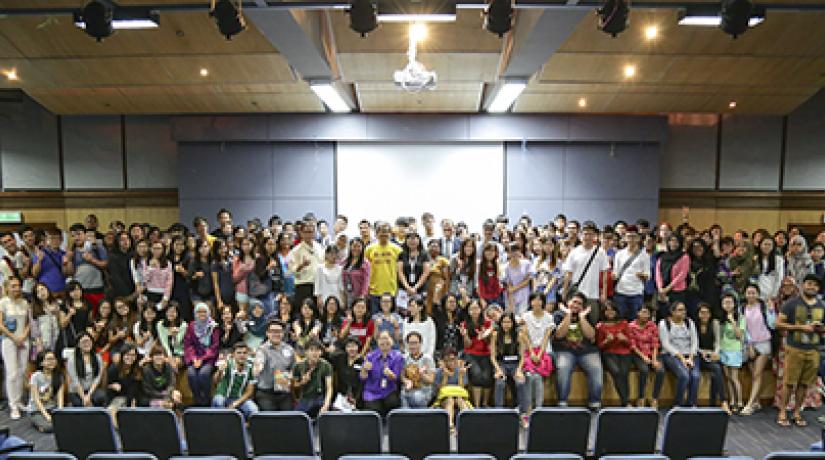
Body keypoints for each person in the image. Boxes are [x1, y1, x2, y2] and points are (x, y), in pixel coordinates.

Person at [775, 274, 825, 427]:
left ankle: (797, 412)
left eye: (815, 285)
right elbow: (778, 324)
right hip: (794, 348)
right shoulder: (791, 304)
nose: (812, 287)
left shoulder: (822, 306)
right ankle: (783, 412)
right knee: (789, 383)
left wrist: (821, 329)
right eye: (809, 283)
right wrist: (799, 327)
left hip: (814, 350)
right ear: (803, 285)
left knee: (804, 384)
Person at [553, 292, 602, 410]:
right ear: (568, 302)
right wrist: (568, 315)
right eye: (574, 302)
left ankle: (594, 402)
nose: (576, 305)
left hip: (587, 350)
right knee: (563, 368)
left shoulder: (587, 315)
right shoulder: (558, 314)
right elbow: (559, 335)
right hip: (564, 350)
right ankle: (562, 402)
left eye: (579, 304)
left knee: (596, 368)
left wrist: (582, 318)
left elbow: (591, 335)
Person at [561, 224, 609, 322]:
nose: (587, 237)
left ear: (595, 236)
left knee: (592, 322)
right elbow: (568, 274)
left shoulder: (600, 252)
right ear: (581, 235)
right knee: (575, 323)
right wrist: (565, 291)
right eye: (585, 234)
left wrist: (604, 293)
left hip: (593, 295)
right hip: (576, 295)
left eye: (590, 234)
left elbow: (604, 274)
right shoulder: (574, 252)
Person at [659, 301, 700, 407]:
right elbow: (666, 344)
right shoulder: (664, 323)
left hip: (689, 354)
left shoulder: (689, 322)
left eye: (684, 310)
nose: (683, 312)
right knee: (684, 375)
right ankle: (678, 404)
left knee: (695, 376)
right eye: (680, 310)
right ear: (672, 312)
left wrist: (690, 357)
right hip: (671, 355)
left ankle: (691, 403)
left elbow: (695, 341)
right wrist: (682, 358)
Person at [741, 284, 775, 415]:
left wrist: (771, 311)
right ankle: (756, 401)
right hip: (749, 344)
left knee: (757, 374)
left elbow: (772, 324)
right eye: (748, 292)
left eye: (753, 293)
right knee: (752, 374)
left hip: (763, 342)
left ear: (758, 294)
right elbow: (743, 328)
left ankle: (749, 405)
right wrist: (749, 345)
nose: (751, 295)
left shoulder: (763, 307)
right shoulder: (741, 308)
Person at [0, 276, 30, 419]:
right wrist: (14, 338)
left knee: (22, 371)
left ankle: (19, 401)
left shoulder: (25, 303)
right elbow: (0, 325)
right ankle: (12, 405)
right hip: (9, 340)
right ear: (7, 288)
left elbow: (29, 323)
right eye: (13, 286)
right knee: (11, 373)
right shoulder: (3, 303)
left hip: (24, 340)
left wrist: (23, 336)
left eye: (18, 285)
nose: (16, 288)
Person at [491, 312, 527, 425]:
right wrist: (498, 369)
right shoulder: (495, 335)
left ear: (513, 323)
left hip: (515, 364)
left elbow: (522, 356)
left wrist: (519, 370)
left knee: (520, 382)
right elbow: (493, 357)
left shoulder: (519, 335)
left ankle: (522, 413)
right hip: (501, 363)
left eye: (509, 322)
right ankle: (499, 412)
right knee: (500, 382)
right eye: (504, 322)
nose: (506, 324)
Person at [520, 293, 554, 413]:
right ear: (530, 302)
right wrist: (531, 352)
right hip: (529, 351)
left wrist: (539, 354)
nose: (537, 302)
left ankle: (539, 409)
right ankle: (528, 409)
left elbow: (546, 337)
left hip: (544, 351)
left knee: (537, 378)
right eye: (534, 300)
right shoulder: (525, 316)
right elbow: (524, 335)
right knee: (529, 377)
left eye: (540, 300)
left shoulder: (549, 317)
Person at [253, 320, 296, 411]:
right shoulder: (262, 350)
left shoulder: (289, 349)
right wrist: (258, 368)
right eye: (273, 331)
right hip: (266, 393)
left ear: (283, 333)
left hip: (284, 391)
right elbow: (259, 362)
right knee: (270, 419)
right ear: (267, 333)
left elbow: (293, 368)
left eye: (279, 331)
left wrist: (292, 375)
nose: (276, 334)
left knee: (288, 418)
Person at [628, 304, 665, 408]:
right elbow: (633, 346)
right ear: (637, 313)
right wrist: (643, 357)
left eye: (647, 313)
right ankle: (641, 397)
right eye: (643, 312)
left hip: (652, 353)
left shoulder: (652, 325)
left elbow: (655, 343)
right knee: (644, 370)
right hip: (638, 354)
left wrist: (654, 359)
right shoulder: (631, 326)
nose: (645, 315)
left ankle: (654, 398)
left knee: (660, 370)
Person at [695, 303, 730, 414]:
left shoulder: (714, 323)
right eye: (702, 313)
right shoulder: (693, 324)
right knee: (694, 373)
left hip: (710, 354)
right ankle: (693, 402)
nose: (704, 315)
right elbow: (693, 344)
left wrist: (715, 353)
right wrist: (701, 352)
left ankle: (722, 401)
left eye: (707, 313)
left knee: (717, 369)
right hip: (697, 354)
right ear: (698, 314)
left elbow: (717, 342)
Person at [183, 302, 220, 406]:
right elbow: (188, 344)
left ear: (208, 313)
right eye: (199, 312)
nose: (202, 314)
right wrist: (194, 358)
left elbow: (214, 347)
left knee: (203, 374)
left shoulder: (213, 326)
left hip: (209, 358)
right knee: (191, 374)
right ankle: (198, 399)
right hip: (194, 358)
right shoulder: (191, 326)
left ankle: (207, 399)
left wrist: (202, 359)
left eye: (204, 312)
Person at [596, 302, 632, 407]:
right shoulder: (600, 326)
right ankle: (626, 402)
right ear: (603, 312)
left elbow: (630, 343)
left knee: (624, 373)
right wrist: (606, 341)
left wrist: (624, 339)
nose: (610, 312)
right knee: (616, 372)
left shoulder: (624, 323)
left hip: (624, 352)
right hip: (609, 353)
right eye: (607, 310)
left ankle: (625, 401)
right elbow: (599, 346)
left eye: (612, 309)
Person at [361, 331, 404, 416]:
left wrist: (391, 375)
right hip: (372, 391)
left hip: (389, 390)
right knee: (374, 409)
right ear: (377, 341)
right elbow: (362, 378)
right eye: (381, 339)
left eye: (386, 338)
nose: (384, 341)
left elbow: (398, 378)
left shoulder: (397, 356)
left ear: (392, 341)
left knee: (393, 403)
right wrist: (364, 370)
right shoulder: (370, 356)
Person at [612, 225, 650, 320]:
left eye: (633, 236)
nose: (631, 239)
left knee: (635, 321)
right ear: (625, 238)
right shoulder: (619, 254)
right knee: (620, 320)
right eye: (628, 236)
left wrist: (642, 275)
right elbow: (615, 273)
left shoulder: (644, 255)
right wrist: (613, 276)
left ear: (638, 238)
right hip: (620, 292)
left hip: (636, 293)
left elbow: (648, 275)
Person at [213, 342, 259, 419]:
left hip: (239, 398)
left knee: (254, 410)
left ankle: (245, 428)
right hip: (223, 396)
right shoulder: (227, 364)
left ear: (247, 354)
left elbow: (249, 391)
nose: (242, 355)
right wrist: (220, 371)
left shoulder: (250, 367)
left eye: (244, 353)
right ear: (233, 355)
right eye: (239, 353)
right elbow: (215, 382)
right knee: (219, 401)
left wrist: (235, 404)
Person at [365, 222, 403, 314]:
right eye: (381, 231)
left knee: (391, 320)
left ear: (390, 233)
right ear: (376, 233)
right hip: (374, 291)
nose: (384, 234)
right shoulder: (369, 249)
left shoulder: (397, 249)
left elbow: (401, 271)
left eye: (386, 232)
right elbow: (366, 270)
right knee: (376, 320)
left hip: (391, 290)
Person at [461, 299, 494, 407]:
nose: (474, 311)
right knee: (477, 374)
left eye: (476, 308)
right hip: (470, 353)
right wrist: (465, 335)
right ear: (468, 311)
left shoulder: (487, 323)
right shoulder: (465, 324)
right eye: (471, 309)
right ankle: (477, 405)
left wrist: (484, 336)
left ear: (481, 309)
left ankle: (485, 404)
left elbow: (489, 342)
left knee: (487, 376)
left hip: (485, 353)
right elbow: (467, 345)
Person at [432, 347, 472, 434]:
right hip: (444, 398)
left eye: (453, 359)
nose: (451, 362)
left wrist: (461, 376)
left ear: (457, 359)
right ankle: (450, 425)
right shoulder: (439, 372)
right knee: (450, 400)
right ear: (443, 361)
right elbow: (439, 391)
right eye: (447, 360)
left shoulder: (461, 370)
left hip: (459, 396)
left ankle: (468, 423)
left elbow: (462, 390)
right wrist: (445, 376)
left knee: (460, 400)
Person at [293, 339, 334, 417]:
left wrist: (326, 405)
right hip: (304, 398)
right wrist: (302, 382)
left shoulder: (326, 365)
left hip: (319, 398)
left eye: (317, 350)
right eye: (311, 350)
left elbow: (329, 388)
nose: (314, 353)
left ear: (321, 352)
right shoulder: (298, 366)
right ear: (306, 352)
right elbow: (294, 385)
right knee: (297, 420)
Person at [289, 221, 325, 309]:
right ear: (301, 233)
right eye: (306, 232)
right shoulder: (296, 250)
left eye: (312, 232)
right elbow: (291, 270)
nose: (309, 235)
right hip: (304, 285)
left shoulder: (320, 247)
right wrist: (302, 265)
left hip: (319, 285)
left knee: (318, 312)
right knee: (304, 312)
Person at [719, 293, 745, 412]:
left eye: (729, 302)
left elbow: (740, 335)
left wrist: (733, 321)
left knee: (735, 377)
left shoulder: (741, 317)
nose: (727, 305)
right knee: (727, 377)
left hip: (735, 350)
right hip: (724, 349)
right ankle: (732, 400)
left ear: (734, 304)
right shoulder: (720, 318)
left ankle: (740, 401)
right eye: (725, 303)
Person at [66, 332, 106, 407]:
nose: (87, 344)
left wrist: (89, 395)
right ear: (78, 345)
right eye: (84, 342)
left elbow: (97, 378)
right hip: (77, 391)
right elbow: (75, 380)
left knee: (101, 396)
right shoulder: (72, 360)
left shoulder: (98, 357)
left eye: (89, 341)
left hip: (91, 390)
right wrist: (84, 397)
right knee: (79, 403)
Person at [28, 350, 64, 433]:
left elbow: (60, 399)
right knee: (49, 427)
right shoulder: (35, 376)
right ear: (41, 363)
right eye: (48, 359)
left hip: (52, 408)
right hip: (36, 410)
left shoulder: (59, 376)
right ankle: (37, 423)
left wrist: (60, 414)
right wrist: (47, 416)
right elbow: (36, 400)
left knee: (67, 422)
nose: (52, 361)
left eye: (53, 359)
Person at [656, 235, 690, 321]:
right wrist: (660, 288)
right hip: (663, 292)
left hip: (677, 292)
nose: (673, 243)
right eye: (671, 241)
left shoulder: (684, 257)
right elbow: (658, 273)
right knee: (663, 316)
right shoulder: (662, 257)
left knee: (677, 317)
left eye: (676, 241)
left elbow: (682, 274)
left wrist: (668, 288)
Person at [401, 331, 436, 408]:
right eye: (410, 343)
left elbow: (431, 380)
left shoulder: (427, 359)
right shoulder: (404, 358)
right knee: (402, 395)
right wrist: (406, 381)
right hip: (408, 390)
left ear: (420, 343)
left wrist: (421, 374)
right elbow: (402, 376)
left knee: (417, 397)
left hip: (423, 391)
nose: (413, 346)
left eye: (415, 343)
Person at [106, 344, 141, 414]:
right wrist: (112, 386)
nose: (130, 357)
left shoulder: (138, 370)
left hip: (131, 399)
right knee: (113, 408)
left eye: (133, 355)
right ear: (122, 356)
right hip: (116, 398)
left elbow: (137, 389)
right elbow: (106, 386)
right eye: (127, 355)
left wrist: (133, 401)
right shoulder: (114, 369)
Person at [333, 337, 364, 410]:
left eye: (353, 346)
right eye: (348, 346)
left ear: (358, 347)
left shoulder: (362, 361)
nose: (351, 349)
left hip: (357, 396)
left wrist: (356, 398)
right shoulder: (340, 358)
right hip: (341, 395)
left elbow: (362, 384)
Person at [504, 243, 534, 316]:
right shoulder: (506, 267)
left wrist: (514, 288)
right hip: (511, 297)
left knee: (522, 317)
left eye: (516, 250)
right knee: (512, 316)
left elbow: (527, 280)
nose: (514, 253)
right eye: (511, 251)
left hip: (524, 296)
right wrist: (511, 304)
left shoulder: (527, 263)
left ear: (519, 251)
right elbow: (509, 285)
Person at [342, 238, 371, 308]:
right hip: (345, 295)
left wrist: (362, 296)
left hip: (358, 295)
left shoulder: (365, 263)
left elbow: (366, 281)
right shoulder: (344, 261)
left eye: (359, 246)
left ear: (362, 248)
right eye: (354, 246)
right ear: (350, 247)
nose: (356, 249)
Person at [157, 302, 186, 369]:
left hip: (179, 353)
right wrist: (170, 358)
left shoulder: (183, 325)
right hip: (165, 352)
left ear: (178, 313)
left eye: (173, 312)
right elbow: (164, 343)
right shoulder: (160, 324)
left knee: (173, 365)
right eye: (169, 311)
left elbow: (176, 344)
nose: (171, 314)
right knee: (168, 363)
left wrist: (174, 336)